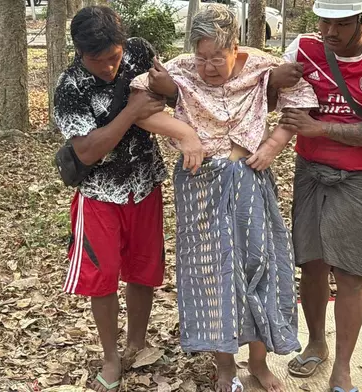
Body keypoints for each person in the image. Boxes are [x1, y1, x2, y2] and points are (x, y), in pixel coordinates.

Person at [130, 5, 319, 392]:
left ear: (235, 46)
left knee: (258, 265)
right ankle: (225, 366)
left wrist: (272, 145)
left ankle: (260, 363)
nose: (209, 66)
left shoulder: (262, 65)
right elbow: (137, 107)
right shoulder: (180, 68)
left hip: (249, 177)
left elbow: (301, 104)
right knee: (214, 273)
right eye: (202, 57)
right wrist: (185, 134)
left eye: (217, 57)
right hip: (200, 183)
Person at [53, 6, 203, 392]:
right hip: (100, 193)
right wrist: (133, 109)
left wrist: (168, 90)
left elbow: (172, 96)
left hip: (145, 182)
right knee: (101, 279)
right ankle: (110, 355)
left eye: (113, 58)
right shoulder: (70, 87)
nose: (107, 68)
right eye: (97, 61)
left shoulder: (139, 51)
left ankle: (136, 342)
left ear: (123, 45)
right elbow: (87, 151)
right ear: (79, 52)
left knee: (143, 269)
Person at [279, 1, 362, 392]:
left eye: (341, 24)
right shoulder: (302, 48)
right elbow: (274, 96)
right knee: (312, 262)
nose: (330, 32)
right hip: (310, 172)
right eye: (325, 23)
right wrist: (274, 79)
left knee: (350, 272)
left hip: (361, 177)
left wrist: (320, 129)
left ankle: (344, 367)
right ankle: (316, 343)